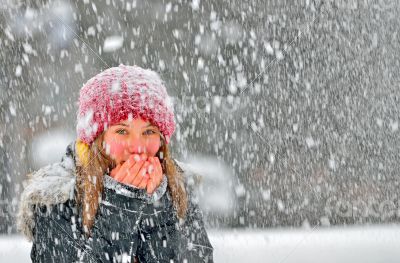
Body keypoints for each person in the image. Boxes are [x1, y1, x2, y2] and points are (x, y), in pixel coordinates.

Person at [16, 65, 214, 263]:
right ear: (96, 140)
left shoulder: (177, 189)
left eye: (149, 132)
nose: (138, 147)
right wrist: (121, 205)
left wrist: (157, 205)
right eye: (121, 131)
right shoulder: (57, 199)